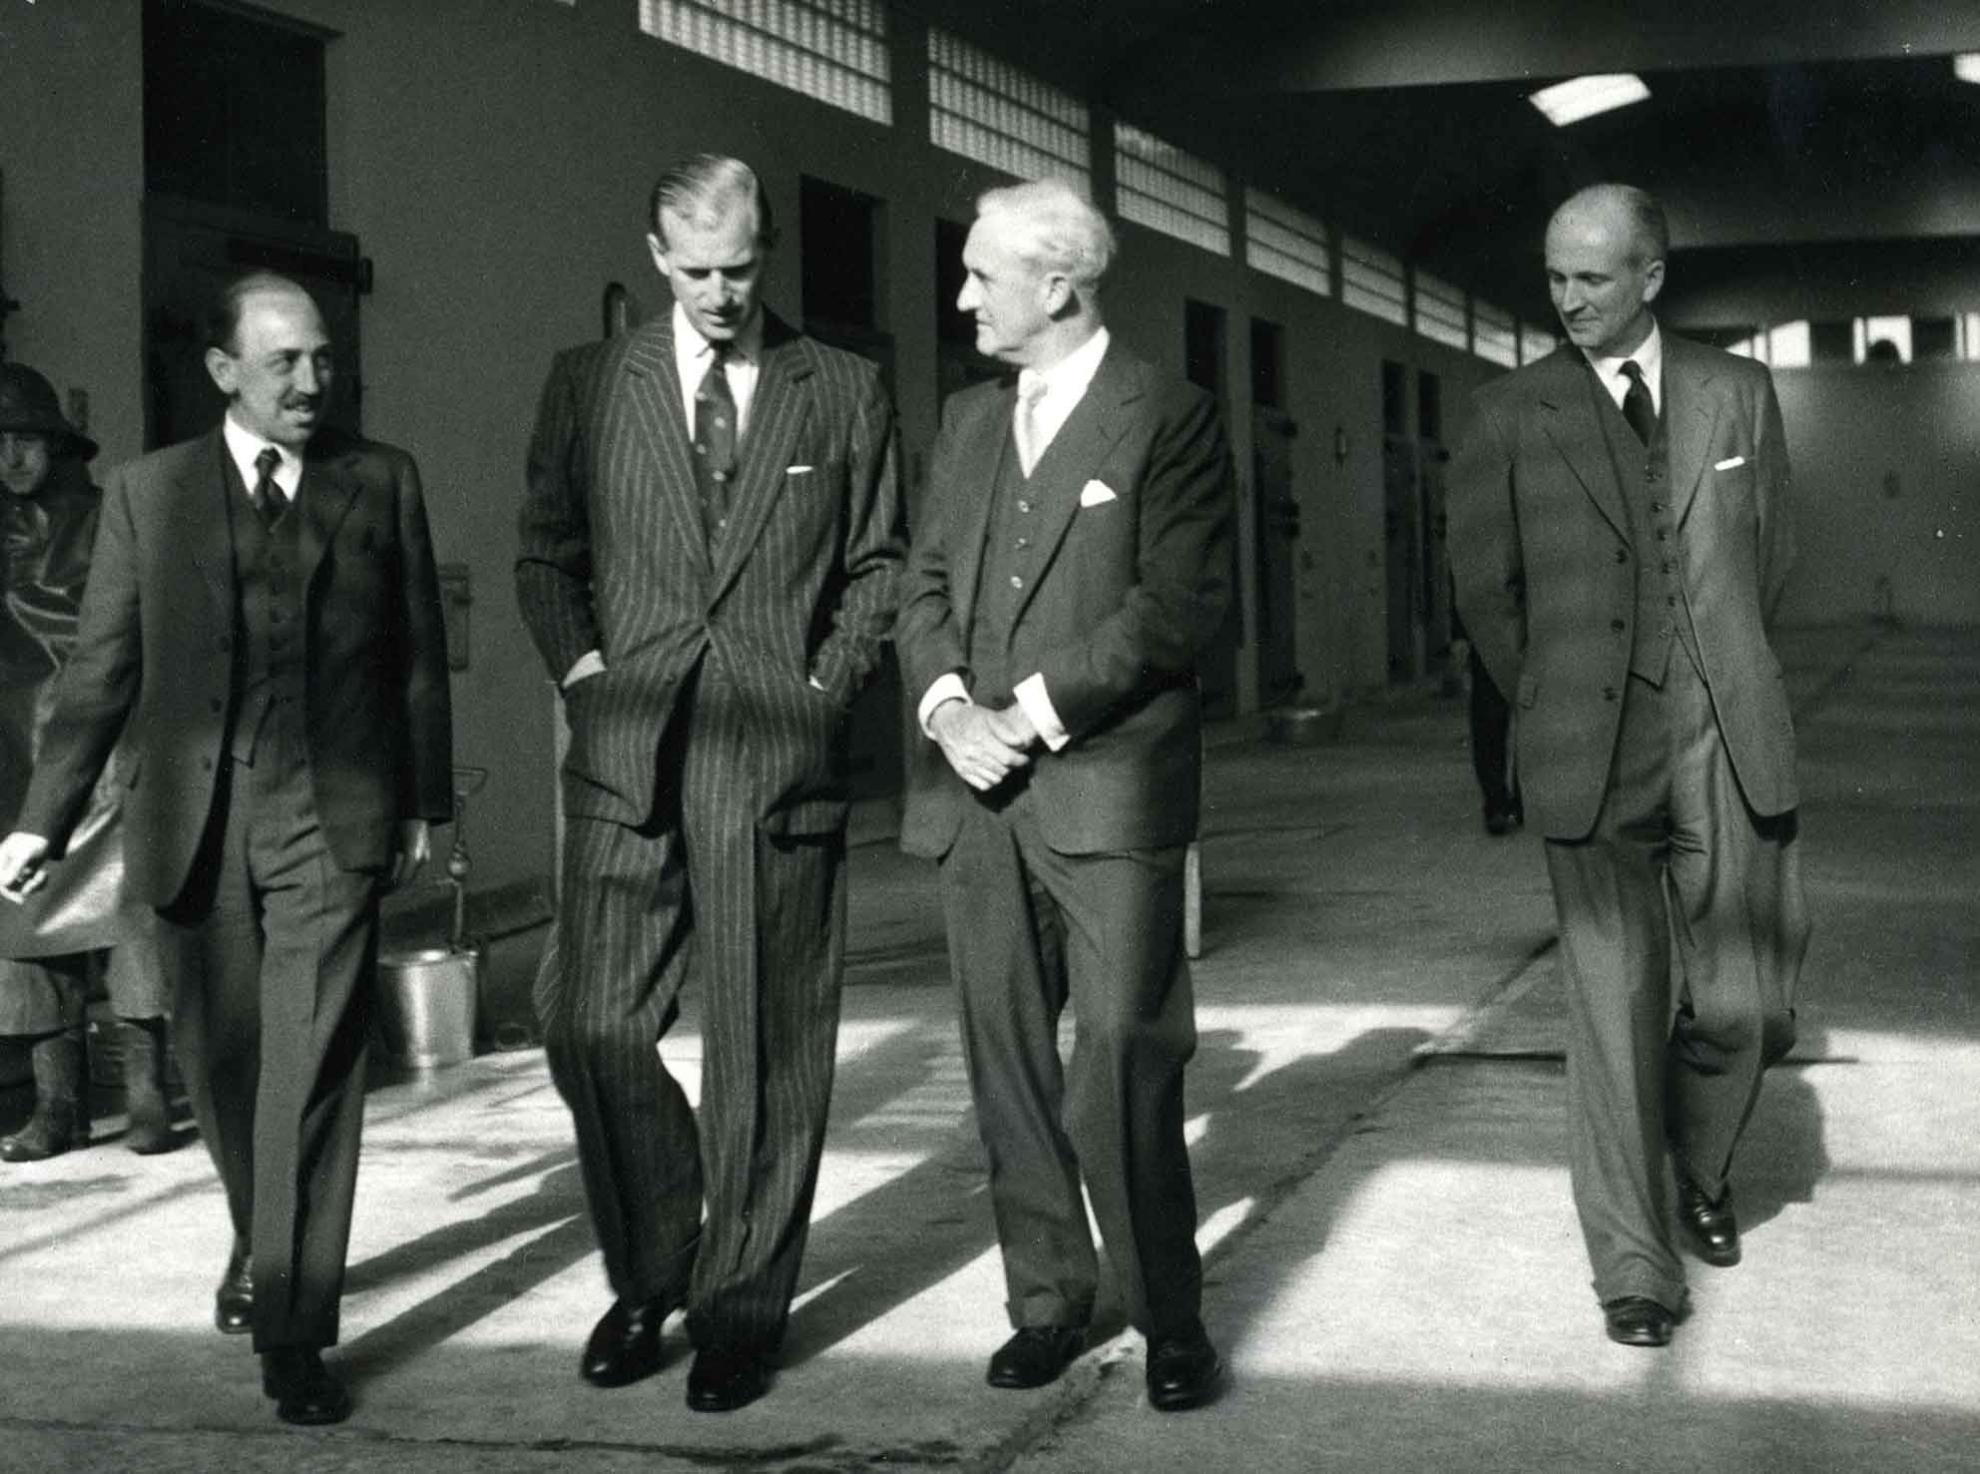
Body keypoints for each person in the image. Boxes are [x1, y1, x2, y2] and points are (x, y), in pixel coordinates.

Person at [0, 272, 454, 1424]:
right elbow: (101, 672)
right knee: (224, 1068)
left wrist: (424, 807)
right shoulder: (149, 495)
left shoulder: (380, 477)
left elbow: (413, 657)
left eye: (322, 358)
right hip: (190, 823)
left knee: (311, 1070)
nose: (312, 381)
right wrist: (38, 821)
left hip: (332, 819)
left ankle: (295, 1325)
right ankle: (264, 1241)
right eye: (284, 363)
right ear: (222, 371)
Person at [516, 154, 904, 1414]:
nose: (721, 294)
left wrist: (820, 693)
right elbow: (543, 554)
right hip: (626, 752)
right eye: (694, 271)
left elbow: (879, 566)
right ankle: (651, 1269)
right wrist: (585, 676)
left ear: (766, 253)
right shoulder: (590, 382)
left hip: (770, 755)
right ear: (654, 253)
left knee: (765, 1047)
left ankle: (740, 1307)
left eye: (741, 269)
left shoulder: (840, 388)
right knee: (592, 1021)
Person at [1448, 184, 1808, 1349]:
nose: (1568, 300)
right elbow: (1485, 592)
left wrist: (1720, 674)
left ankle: (1699, 1161)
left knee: (1749, 1003)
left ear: (1651, 275)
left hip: (1723, 733)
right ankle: (1636, 1267)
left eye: (1592, 279)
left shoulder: (1737, 392)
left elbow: (1774, 559)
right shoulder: (1511, 410)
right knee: (1611, 1014)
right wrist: (1551, 699)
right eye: (1554, 278)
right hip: (1585, 754)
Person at [896, 178, 1233, 1411]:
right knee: (1007, 1068)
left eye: (983, 274)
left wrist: (1022, 715)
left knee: (1126, 1062)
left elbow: (1174, 609)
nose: (964, 294)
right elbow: (921, 587)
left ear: (1060, 285)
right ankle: (1046, 1298)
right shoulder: (968, 422)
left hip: (1108, 794)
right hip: (975, 799)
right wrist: (944, 709)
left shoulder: (1171, 417)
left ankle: (1167, 1314)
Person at [0, 364, 172, 1161]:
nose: (11, 458)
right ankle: (57, 1107)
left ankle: (146, 1096)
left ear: (56, 443)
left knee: (132, 915)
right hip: (13, 751)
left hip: (109, 739)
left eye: (25, 439)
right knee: (27, 924)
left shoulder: (111, 516)